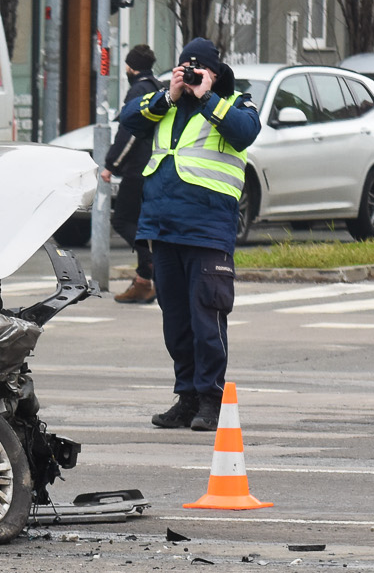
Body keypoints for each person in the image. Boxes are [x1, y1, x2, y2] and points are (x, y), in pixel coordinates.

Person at [118, 37, 259, 434]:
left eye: (200, 69)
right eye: (186, 68)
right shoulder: (167, 106)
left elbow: (245, 133)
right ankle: (187, 398)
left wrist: (208, 97)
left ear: (216, 73)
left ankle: (211, 400)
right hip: (163, 228)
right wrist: (170, 93)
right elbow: (128, 119)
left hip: (208, 231)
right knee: (176, 322)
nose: (193, 74)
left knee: (206, 318)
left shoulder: (234, 104)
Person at [106, 44, 159, 304]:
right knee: (142, 223)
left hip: (138, 168)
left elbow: (130, 131)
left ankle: (150, 264)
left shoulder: (139, 90)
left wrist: (111, 165)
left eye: (127, 65)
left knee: (122, 221)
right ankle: (142, 283)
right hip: (154, 168)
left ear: (131, 67)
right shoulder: (157, 87)